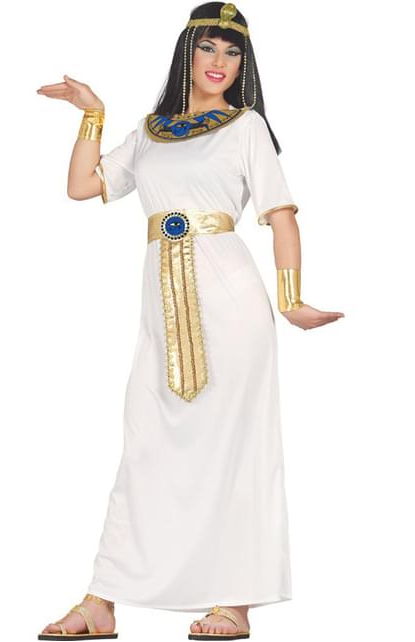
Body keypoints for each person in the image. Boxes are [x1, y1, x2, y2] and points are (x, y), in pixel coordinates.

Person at [36, 2, 345, 640]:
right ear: (188, 53)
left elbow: (281, 215)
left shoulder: (246, 127)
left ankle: (234, 603)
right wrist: (93, 114)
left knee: (235, 446)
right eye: (208, 48)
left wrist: (290, 300)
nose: (219, 62)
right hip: (160, 308)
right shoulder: (152, 132)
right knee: (144, 445)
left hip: (230, 300)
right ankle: (102, 600)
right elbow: (82, 186)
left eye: (232, 52)